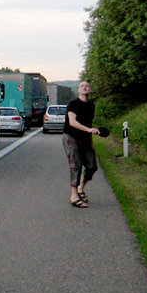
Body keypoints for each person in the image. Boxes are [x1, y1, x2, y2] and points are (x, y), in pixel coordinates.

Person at [62, 80, 100, 209]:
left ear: (89, 89)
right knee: (76, 165)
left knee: (92, 166)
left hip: (85, 138)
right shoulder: (73, 104)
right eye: (82, 86)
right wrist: (89, 130)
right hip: (71, 137)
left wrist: (91, 133)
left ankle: (80, 188)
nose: (85, 87)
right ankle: (73, 196)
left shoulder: (91, 105)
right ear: (78, 89)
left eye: (87, 86)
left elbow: (88, 123)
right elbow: (72, 122)